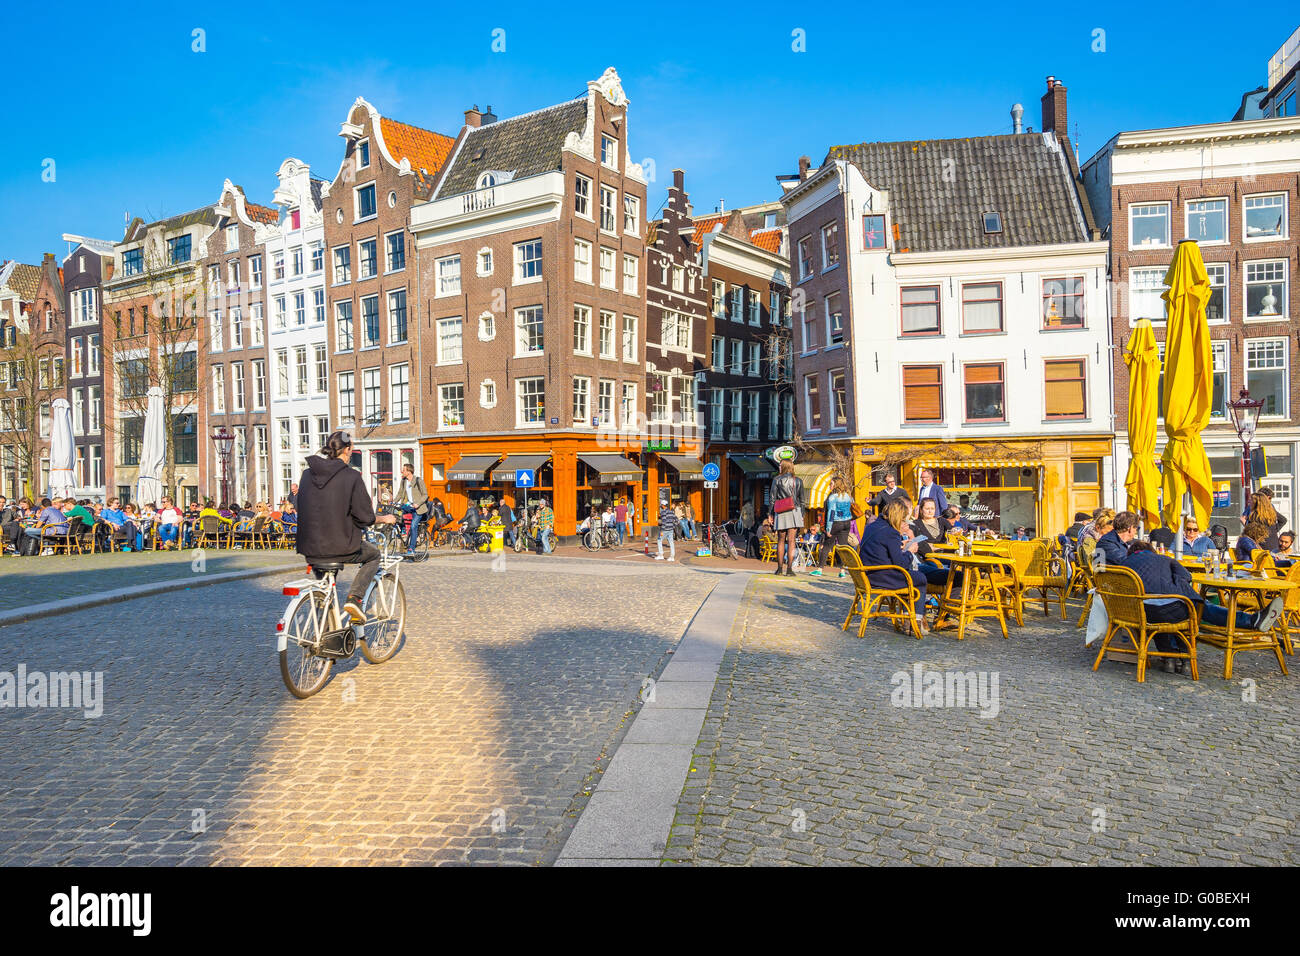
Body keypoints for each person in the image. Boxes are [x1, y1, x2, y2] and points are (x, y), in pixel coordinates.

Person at [1123, 540, 1282, 673]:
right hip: (1172, 609)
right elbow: (1187, 577)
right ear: (1150, 551)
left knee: (1157, 611)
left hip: (1140, 612)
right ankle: (1251, 621)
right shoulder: (1164, 559)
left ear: (1132, 553)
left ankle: (1170, 658)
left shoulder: (1124, 565)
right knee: (1198, 608)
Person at [295, 430, 396, 624]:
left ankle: (324, 636)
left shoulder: (307, 474)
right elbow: (365, 516)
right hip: (340, 546)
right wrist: (385, 519)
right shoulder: (351, 476)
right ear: (348, 450)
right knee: (373, 555)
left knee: (325, 589)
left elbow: (302, 505)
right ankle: (355, 599)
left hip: (310, 547)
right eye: (352, 448)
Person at [859, 498, 930, 634]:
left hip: (868, 573)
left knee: (913, 575)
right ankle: (915, 622)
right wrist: (909, 552)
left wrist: (899, 547)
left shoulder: (873, 526)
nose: (904, 522)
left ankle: (908, 619)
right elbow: (901, 564)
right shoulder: (890, 532)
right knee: (920, 578)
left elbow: (882, 549)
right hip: (881, 576)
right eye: (903, 519)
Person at [769, 460, 805, 576]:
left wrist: (770, 514)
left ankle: (779, 569)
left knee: (780, 540)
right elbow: (802, 500)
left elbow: (772, 498)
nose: (779, 467)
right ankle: (789, 569)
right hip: (795, 511)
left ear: (784, 466)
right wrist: (802, 515)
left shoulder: (777, 480)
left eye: (780, 465)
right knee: (791, 541)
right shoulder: (798, 481)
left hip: (781, 511)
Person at [821, 478, 855, 578]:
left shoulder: (833, 497)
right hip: (846, 523)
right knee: (843, 547)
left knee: (827, 545)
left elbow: (831, 513)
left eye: (831, 484)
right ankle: (842, 571)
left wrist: (828, 528)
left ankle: (819, 569)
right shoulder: (848, 496)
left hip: (836, 522)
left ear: (836, 485)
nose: (829, 486)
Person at [393, 463, 429, 555]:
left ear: (409, 472)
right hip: (409, 506)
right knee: (397, 511)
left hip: (418, 508)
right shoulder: (404, 481)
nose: (402, 471)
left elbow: (425, 495)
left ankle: (411, 549)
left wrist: (418, 503)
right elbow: (400, 493)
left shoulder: (418, 480)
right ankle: (403, 528)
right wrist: (393, 502)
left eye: (403, 470)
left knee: (413, 526)